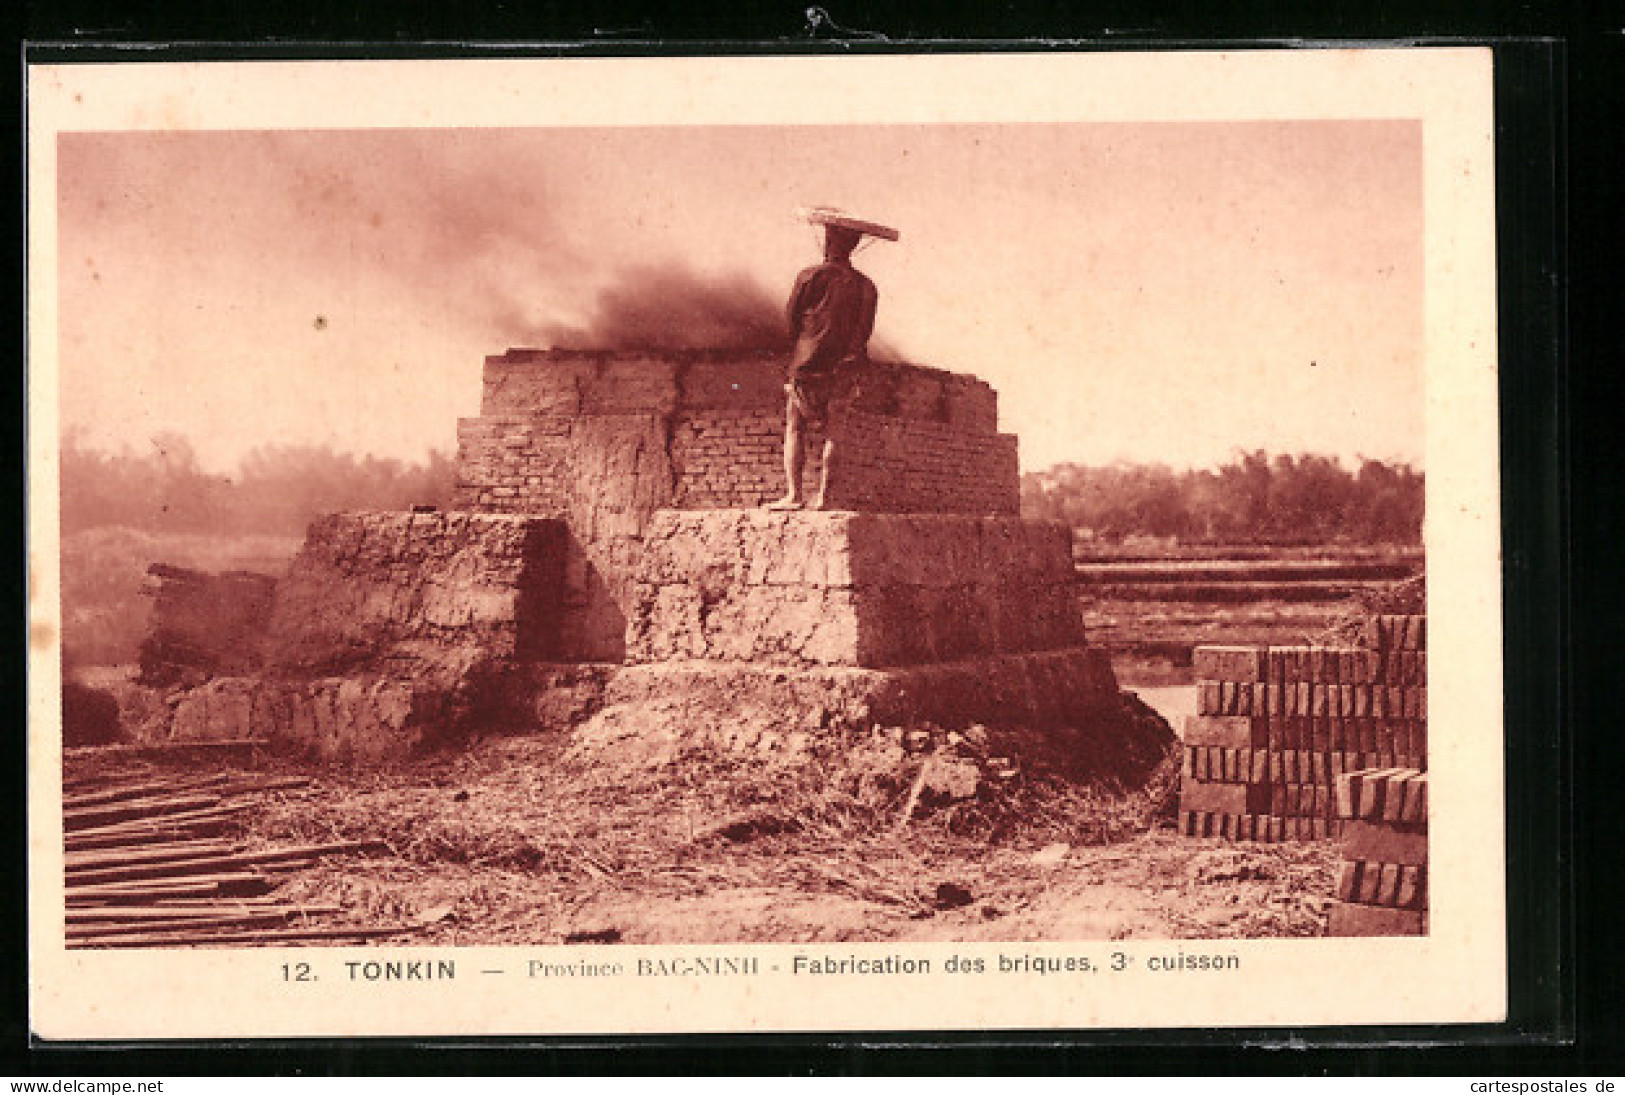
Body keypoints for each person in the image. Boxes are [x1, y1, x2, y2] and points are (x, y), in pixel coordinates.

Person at [768, 222, 879, 511]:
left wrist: (805, 344)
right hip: (844, 367)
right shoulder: (866, 286)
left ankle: (794, 495)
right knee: (835, 432)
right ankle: (824, 498)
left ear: (828, 243)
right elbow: (864, 330)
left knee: (795, 427)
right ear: (853, 246)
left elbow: (791, 320)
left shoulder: (809, 276)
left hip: (806, 364)